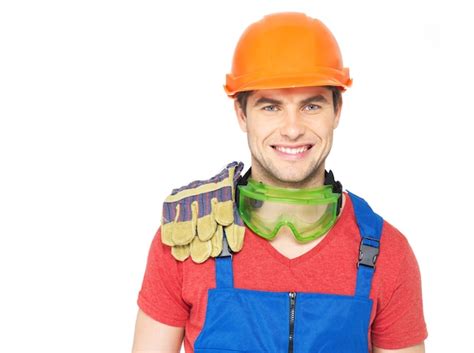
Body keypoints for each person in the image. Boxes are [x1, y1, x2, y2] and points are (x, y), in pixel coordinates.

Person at [131, 12, 428, 353]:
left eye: (311, 105)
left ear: (337, 110)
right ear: (242, 114)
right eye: (270, 107)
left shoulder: (386, 252)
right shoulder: (189, 241)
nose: (291, 128)